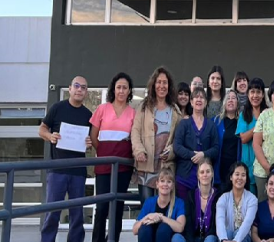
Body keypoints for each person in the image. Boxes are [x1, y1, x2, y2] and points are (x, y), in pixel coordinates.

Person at [39, 76, 93, 242]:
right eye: (76, 86)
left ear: (86, 92)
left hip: (78, 171)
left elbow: (89, 142)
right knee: (52, 212)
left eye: (83, 87)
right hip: (57, 170)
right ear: (70, 88)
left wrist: (88, 144)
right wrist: (50, 136)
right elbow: (42, 129)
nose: (79, 90)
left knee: (77, 215)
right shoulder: (57, 108)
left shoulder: (88, 115)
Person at [90, 72, 136, 242]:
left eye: (125, 88)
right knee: (102, 206)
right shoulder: (102, 109)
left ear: (129, 90)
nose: (121, 91)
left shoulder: (133, 113)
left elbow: (135, 139)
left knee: (117, 207)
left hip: (123, 168)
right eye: (118, 87)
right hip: (103, 166)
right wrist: (104, 152)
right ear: (113, 89)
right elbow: (93, 136)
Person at [133, 66, 182, 201]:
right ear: (153, 85)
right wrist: (138, 150)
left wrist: (171, 150)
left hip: (165, 169)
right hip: (145, 166)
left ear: (169, 86)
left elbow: (178, 138)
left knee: (164, 207)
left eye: (165, 82)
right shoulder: (144, 106)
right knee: (147, 206)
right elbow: (135, 131)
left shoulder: (175, 110)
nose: (162, 86)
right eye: (159, 82)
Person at [174, 88, 219, 200]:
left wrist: (203, 154)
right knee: (184, 208)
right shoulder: (184, 123)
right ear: (191, 102)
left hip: (204, 178)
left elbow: (216, 148)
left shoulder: (211, 125)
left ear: (206, 102)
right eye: (196, 97)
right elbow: (177, 146)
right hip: (184, 177)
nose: (199, 99)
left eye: (202, 97)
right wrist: (192, 155)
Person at [132, 168, 187, 242]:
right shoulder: (149, 202)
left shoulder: (179, 202)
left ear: (173, 185)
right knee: (144, 228)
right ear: (157, 184)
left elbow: (180, 228)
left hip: (167, 238)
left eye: (169, 181)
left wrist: (161, 218)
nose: (165, 184)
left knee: (164, 228)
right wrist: (148, 216)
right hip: (150, 238)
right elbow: (134, 230)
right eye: (162, 181)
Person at [238, 78, 267, 196]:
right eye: (252, 92)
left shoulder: (269, 113)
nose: (255, 96)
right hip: (248, 167)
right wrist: (258, 125)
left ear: (263, 95)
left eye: (258, 92)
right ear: (248, 94)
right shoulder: (244, 115)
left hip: (265, 167)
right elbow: (243, 138)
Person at [216, 162, 259, 242]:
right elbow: (220, 220)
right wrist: (224, 240)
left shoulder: (252, 199)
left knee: (237, 233)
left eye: (243, 175)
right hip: (227, 237)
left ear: (246, 178)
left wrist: (236, 240)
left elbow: (247, 223)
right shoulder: (223, 198)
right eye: (237, 174)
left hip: (244, 237)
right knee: (228, 233)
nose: (240, 178)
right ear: (231, 177)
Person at [184, 159, 219, 242]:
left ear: (212, 174)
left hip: (210, 238)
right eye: (202, 172)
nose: (205, 175)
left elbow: (216, 226)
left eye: (208, 171)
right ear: (198, 176)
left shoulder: (219, 196)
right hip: (193, 238)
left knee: (210, 239)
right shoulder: (191, 195)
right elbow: (188, 223)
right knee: (176, 237)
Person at [216, 90, 241, 192]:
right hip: (220, 168)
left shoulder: (242, 122)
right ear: (224, 103)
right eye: (228, 98)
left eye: (233, 98)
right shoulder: (216, 122)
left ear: (237, 103)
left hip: (236, 168)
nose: (230, 100)